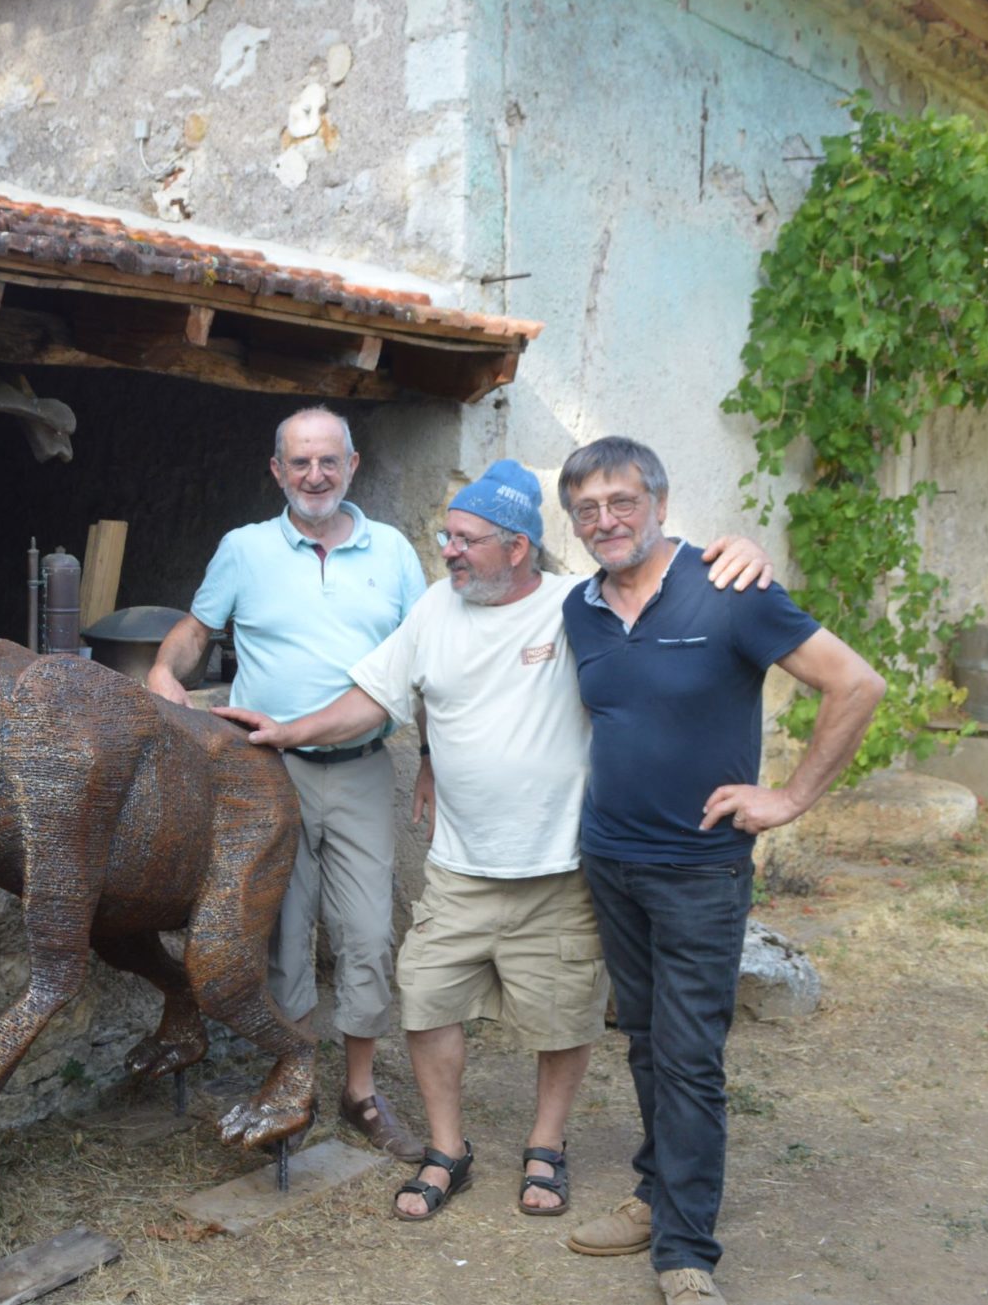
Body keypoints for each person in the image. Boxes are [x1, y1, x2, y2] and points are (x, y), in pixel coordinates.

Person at [213, 460, 772, 1226]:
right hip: (459, 868)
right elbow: (372, 696)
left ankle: (547, 1144)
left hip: (561, 866)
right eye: (447, 533)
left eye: (467, 538)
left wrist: (735, 551)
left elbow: (651, 567)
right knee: (428, 999)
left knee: (566, 1015)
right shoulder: (437, 609)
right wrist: (289, 730)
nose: (448, 549)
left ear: (518, 548)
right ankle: (449, 1148)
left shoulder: (581, 604)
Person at [556, 437, 883, 1305]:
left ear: (659, 501)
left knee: (691, 1054)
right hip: (612, 859)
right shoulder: (579, 609)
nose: (606, 521)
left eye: (622, 501)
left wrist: (791, 797)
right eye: (587, 509)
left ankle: (686, 1253)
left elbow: (856, 684)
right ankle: (656, 1193)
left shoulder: (730, 587)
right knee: (646, 1039)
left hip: (700, 868)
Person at [146, 406, 427, 1159]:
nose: (314, 475)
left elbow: (432, 659)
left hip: (364, 771)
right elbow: (196, 630)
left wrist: (430, 758)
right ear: (277, 471)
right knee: (284, 936)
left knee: (368, 936)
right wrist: (163, 670)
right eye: (299, 462)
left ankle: (360, 1091)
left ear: (353, 464)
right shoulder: (244, 549)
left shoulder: (394, 552)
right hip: (265, 777)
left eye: (327, 461)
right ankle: (290, 1083)